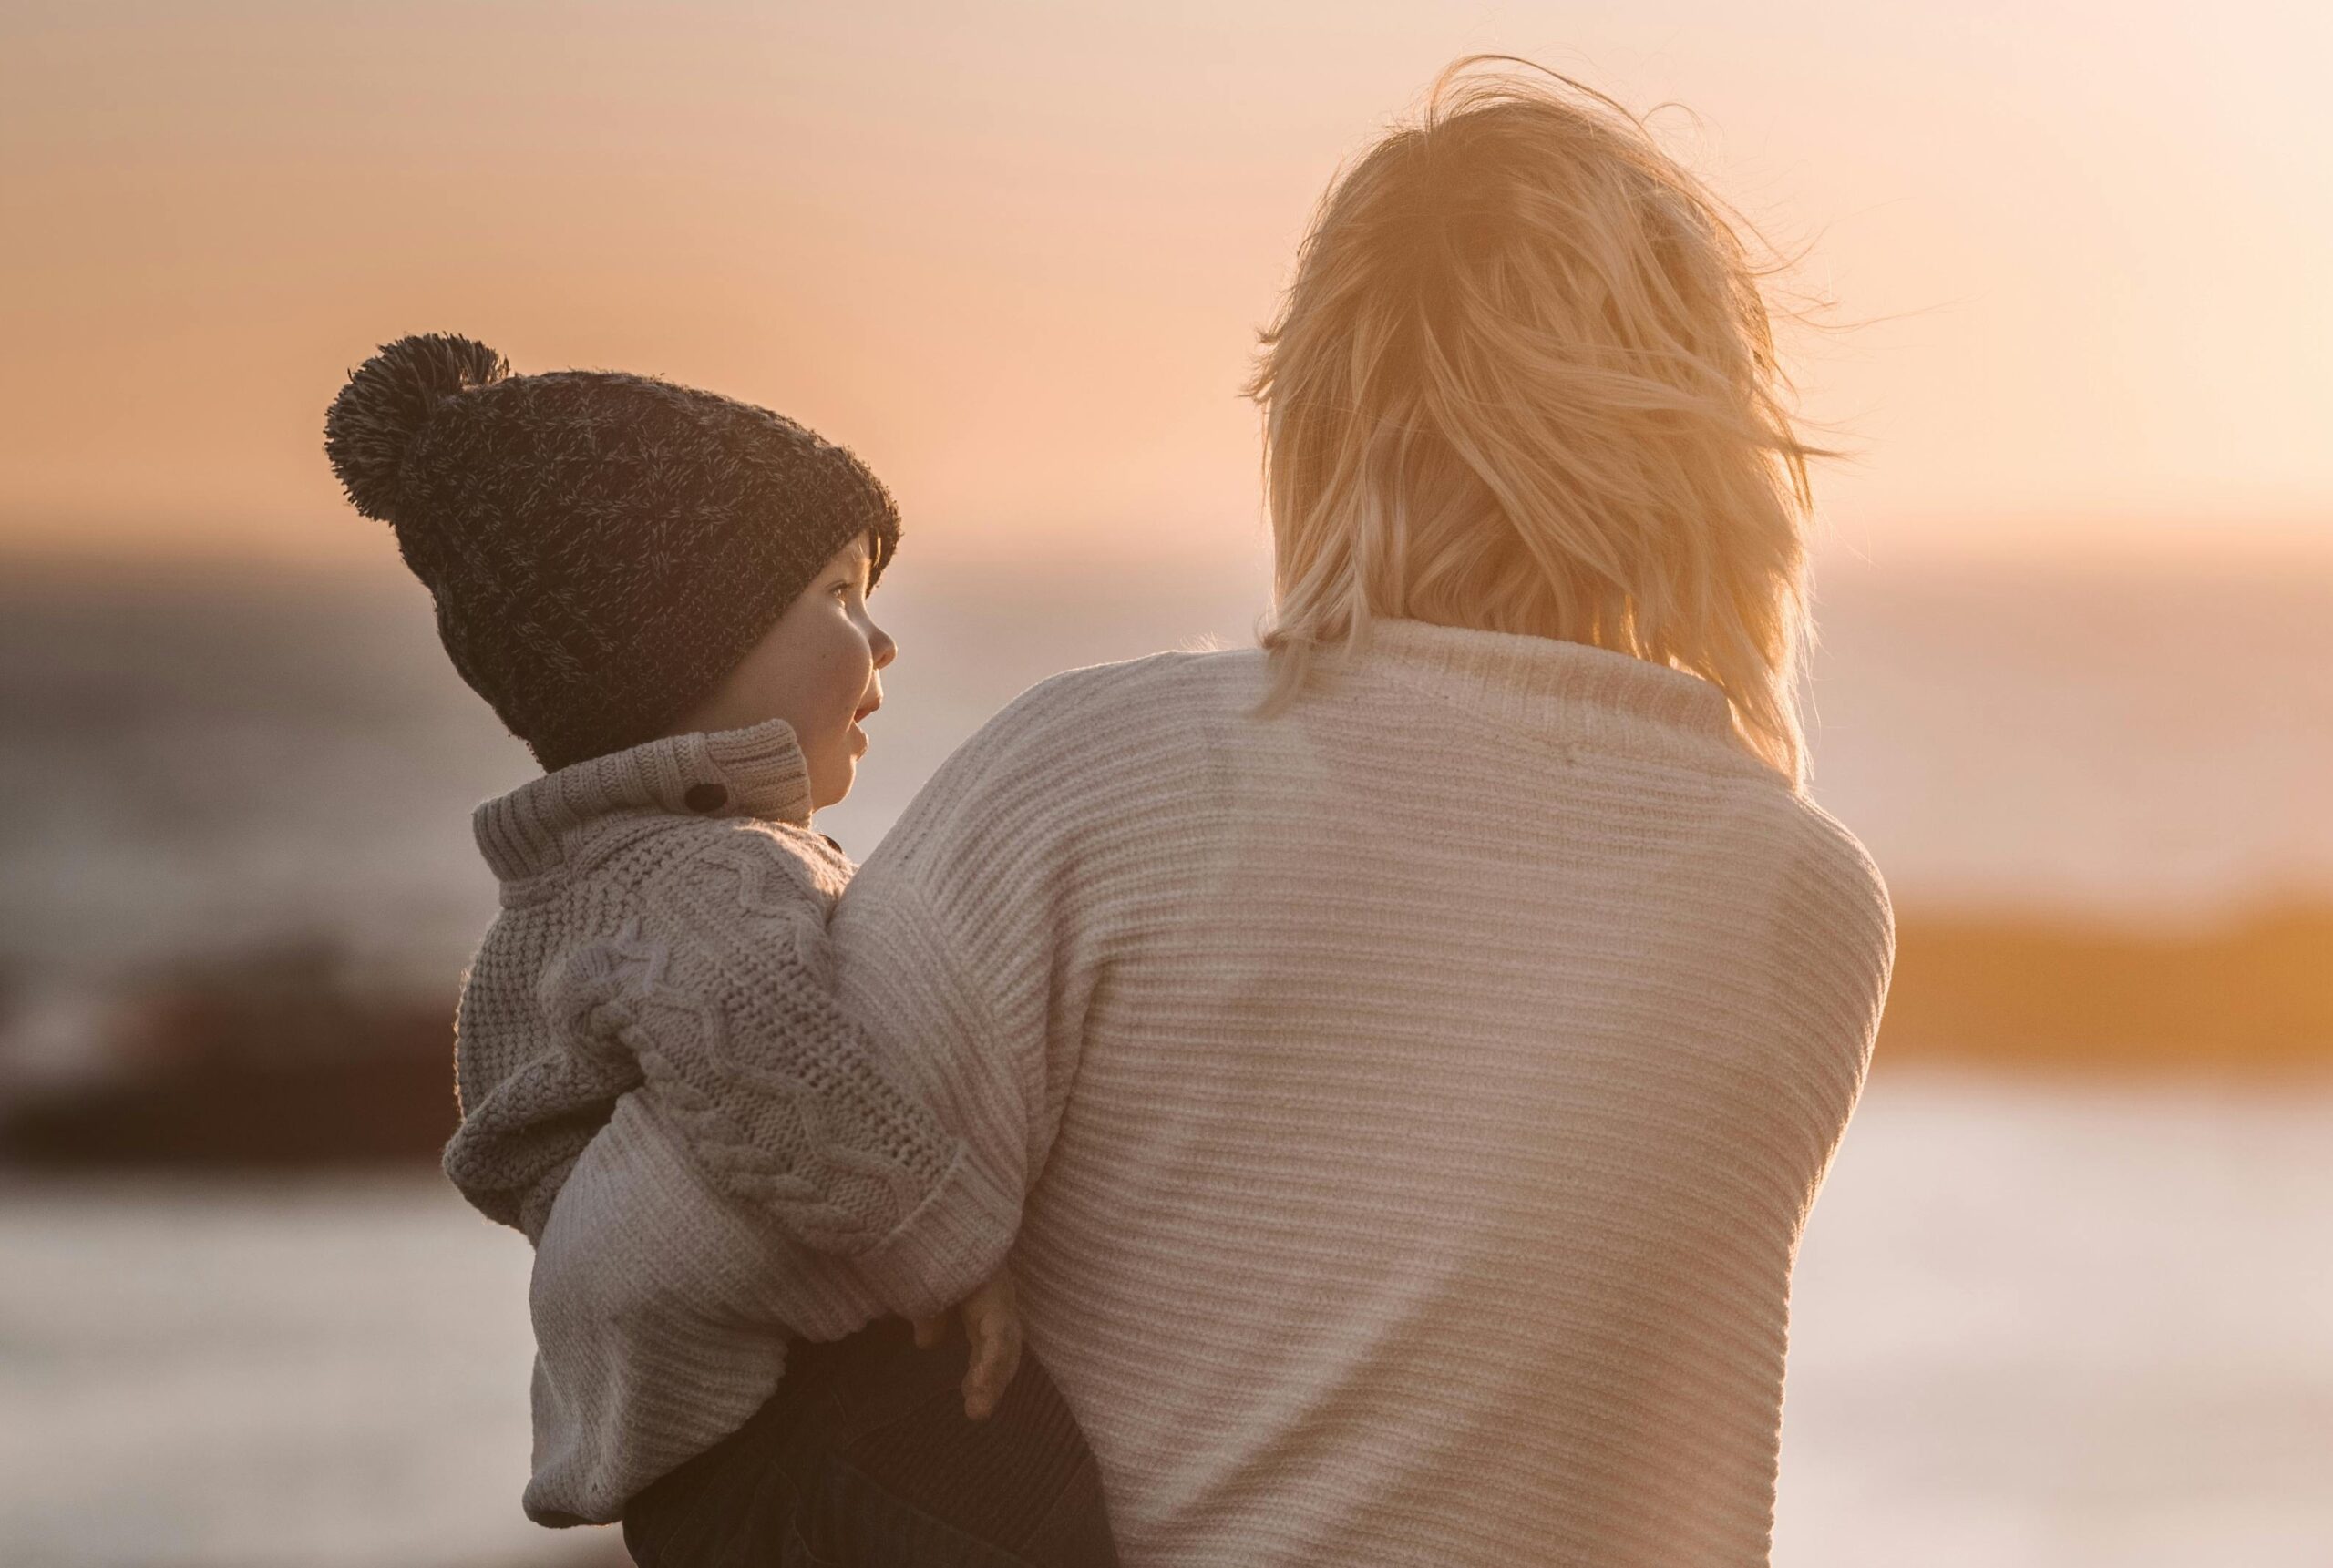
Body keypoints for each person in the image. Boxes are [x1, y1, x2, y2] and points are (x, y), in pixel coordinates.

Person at [709, 59, 1896, 1565]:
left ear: (1320, 412)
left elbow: (702, 1253)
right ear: (1703, 440)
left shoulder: (1094, 780)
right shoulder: (1805, 903)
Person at [321, 335, 1117, 1566]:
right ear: (678, 645)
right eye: (840, 595)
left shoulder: (592, 882)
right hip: (807, 1443)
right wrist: (958, 1258)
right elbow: (794, 1079)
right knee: (1039, 1511)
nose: (883, 639)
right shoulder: (694, 885)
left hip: (719, 1473)